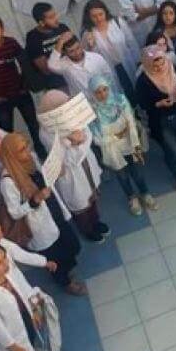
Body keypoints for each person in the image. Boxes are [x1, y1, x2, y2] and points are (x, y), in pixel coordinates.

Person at [0, 132, 85, 295]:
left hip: (54, 211)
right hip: (40, 226)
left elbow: (44, 177)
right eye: (22, 150)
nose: (28, 151)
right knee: (55, 258)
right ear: (12, 155)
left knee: (71, 245)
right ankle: (65, 282)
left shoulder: (30, 160)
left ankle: (67, 270)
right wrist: (34, 200)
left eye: (26, 145)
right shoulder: (8, 182)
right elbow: (14, 213)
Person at [37, 90, 108, 243]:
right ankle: (87, 230)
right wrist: (77, 143)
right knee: (80, 206)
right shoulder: (46, 132)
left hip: (87, 166)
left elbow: (88, 135)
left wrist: (77, 143)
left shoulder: (73, 116)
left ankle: (96, 222)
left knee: (92, 198)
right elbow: (69, 160)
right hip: (71, 173)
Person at [0, 15, 45, 158]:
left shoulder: (11, 43)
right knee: (5, 133)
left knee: (34, 125)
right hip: (1, 98)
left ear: (2, 28)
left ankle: (42, 152)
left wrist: (26, 84)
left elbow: (25, 63)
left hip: (20, 92)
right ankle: (14, 159)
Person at [90, 74, 159, 213]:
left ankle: (145, 193)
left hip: (131, 142)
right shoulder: (92, 112)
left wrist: (125, 137)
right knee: (122, 175)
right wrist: (118, 135)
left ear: (109, 87)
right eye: (98, 92)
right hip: (112, 150)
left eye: (105, 89)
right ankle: (131, 197)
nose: (103, 94)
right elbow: (97, 138)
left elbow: (131, 121)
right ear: (93, 94)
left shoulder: (120, 99)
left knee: (137, 172)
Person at [137, 45, 176, 195]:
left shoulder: (171, 68)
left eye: (162, 63)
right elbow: (142, 103)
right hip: (161, 121)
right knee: (171, 151)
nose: (160, 68)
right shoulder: (143, 80)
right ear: (147, 64)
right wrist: (158, 104)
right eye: (155, 66)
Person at [82, 0, 141, 107]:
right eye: (94, 16)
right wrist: (90, 45)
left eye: (100, 14)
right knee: (119, 97)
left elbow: (131, 42)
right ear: (89, 17)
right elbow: (86, 57)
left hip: (127, 63)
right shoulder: (88, 34)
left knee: (136, 89)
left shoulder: (117, 22)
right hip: (108, 70)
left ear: (105, 12)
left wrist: (138, 61)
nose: (98, 18)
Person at [47, 31, 115, 98]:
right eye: (71, 51)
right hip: (83, 102)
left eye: (78, 48)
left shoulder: (96, 57)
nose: (77, 53)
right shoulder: (64, 64)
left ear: (80, 44)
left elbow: (109, 76)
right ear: (64, 52)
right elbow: (51, 65)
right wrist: (60, 42)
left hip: (105, 99)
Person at [24, 2, 69, 92]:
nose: (56, 18)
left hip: (74, 76)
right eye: (51, 17)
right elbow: (46, 69)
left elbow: (76, 51)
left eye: (55, 14)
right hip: (57, 85)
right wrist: (60, 43)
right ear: (41, 22)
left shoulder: (62, 28)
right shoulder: (33, 38)